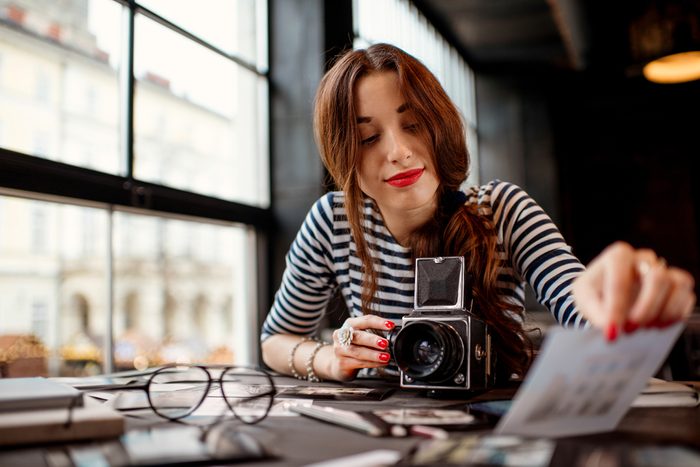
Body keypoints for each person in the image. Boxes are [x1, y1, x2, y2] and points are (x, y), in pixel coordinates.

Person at [260, 43, 696, 384]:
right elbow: (273, 341)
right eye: (369, 137)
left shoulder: (501, 210)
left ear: (441, 123)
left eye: (412, 125)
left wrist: (624, 302)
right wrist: (330, 359)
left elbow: (578, 303)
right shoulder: (334, 221)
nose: (398, 152)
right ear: (343, 154)